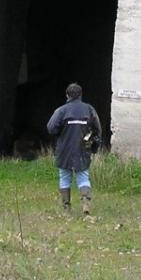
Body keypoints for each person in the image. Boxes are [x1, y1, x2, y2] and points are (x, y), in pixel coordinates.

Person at [46, 82, 102, 215]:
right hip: (83, 149)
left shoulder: (61, 111)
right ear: (81, 95)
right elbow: (97, 130)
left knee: (64, 177)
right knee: (83, 177)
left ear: (67, 95)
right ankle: (86, 203)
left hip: (64, 150)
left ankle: (66, 208)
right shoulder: (89, 109)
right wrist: (94, 147)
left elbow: (51, 128)